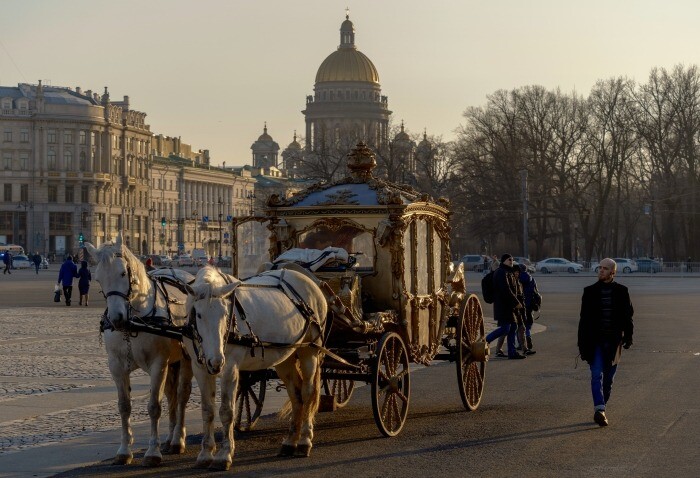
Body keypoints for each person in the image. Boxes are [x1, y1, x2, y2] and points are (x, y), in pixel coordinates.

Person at [578, 258, 634, 427]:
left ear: (612, 272)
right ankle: (599, 409)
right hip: (595, 341)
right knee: (596, 374)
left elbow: (628, 317)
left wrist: (629, 337)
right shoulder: (589, 291)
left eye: (605, 268)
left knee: (608, 379)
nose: (601, 270)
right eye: (600, 268)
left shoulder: (622, 291)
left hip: (613, 341)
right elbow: (583, 320)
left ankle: (602, 408)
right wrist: (581, 344)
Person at [485, 254, 526, 360]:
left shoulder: (509, 272)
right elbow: (505, 290)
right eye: (509, 260)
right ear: (503, 261)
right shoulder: (501, 272)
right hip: (503, 306)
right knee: (505, 328)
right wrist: (516, 302)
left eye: (512, 259)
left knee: (513, 327)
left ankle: (512, 353)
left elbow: (515, 290)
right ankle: (485, 340)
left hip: (510, 306)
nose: (511, 261)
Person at [518, 263, 537, 355]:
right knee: (528, 322)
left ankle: (520, 343)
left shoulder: (518, 279)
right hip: (530, 304)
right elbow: (535, 291)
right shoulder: (531, 278)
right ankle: (528, 335)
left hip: (521, 303)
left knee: (519, 324)